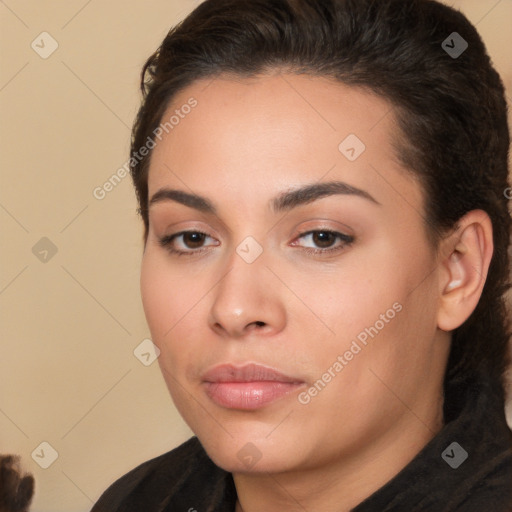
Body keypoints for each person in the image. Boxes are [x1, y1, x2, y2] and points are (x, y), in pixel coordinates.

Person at [91, 0, 512, 510]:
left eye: (320, 238)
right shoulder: (139, 500)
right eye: (192, 238)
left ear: (457, 270)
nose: (235, 309)